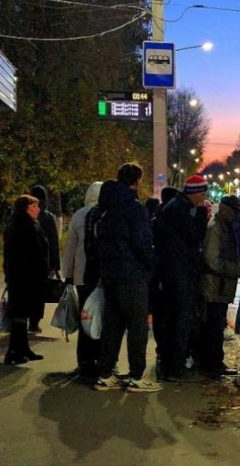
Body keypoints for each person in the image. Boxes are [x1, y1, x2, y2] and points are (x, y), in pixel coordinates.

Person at [93, 163, 161, 393]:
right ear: (137, 181)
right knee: (137, 327)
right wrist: (152, 263)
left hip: (110, 275)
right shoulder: (134, 208)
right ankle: (136, 376)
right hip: (131, 275)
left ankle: (105, 373)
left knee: (112, 325)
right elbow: (141, 243)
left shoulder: (107, 208)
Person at [153, 174, 210, 382]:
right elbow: (194, 236)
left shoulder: (174, 207)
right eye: (203, 193)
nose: (204, 198)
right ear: (195, 193)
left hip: (172, 273)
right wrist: (203, 215)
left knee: (172, 320)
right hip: (178, 275)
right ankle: (175, 367)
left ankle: (169, 364)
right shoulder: (181, 210)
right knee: (180, 321)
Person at [199, 195, 240, 378]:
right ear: (226, 210)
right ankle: (212, 364)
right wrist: (236, 270)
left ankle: (213, 362)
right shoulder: (216, 228)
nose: (236, 216)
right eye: (235, 212)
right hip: (214, 287)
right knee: (213, 326)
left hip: (219, 287)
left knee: (216, 326)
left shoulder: (224, 226)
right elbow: (212, 260)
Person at [60, 181, 103, 379]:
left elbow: (70, 249)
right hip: (101, 277)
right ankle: (101, 359)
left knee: (85, 316)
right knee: (100, 315)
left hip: (81, 277)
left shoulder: (78, 215)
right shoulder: (106, 212)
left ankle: (84, 360)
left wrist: (67, 274)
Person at [2, 194, 49, 365]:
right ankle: (14, 351)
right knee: (20, 314)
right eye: (34, 207)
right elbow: (28, 253)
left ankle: (22, 348)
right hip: (24, 277)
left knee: (21, 315)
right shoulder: (23, 227)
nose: (38, 210)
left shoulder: (23, 225)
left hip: (23, 277)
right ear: (25, 209)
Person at [28, 185, 60, 332]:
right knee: (40, 293)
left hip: (27, 261)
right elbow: (54, 241)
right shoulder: (48, 216)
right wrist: (55, 265)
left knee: (27, 292)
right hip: (44, 262)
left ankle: (25, 318)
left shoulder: (26, 213)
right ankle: (35, 321)